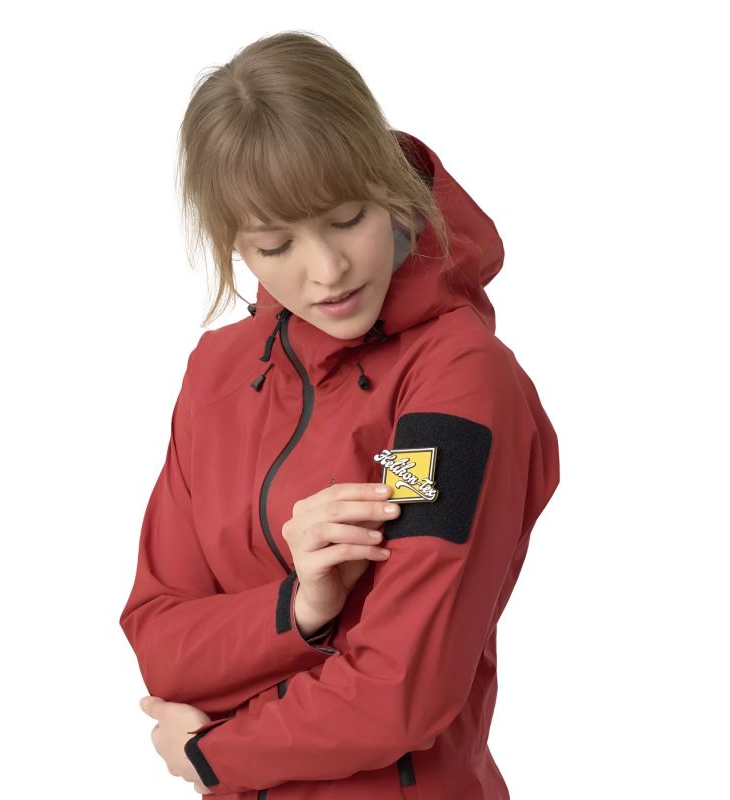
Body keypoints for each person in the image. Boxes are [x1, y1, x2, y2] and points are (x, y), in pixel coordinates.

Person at [119, 30, 560, 800]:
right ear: (236, 246)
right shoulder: (216, 375)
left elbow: (401, 690)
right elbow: (160, 639)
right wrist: (300, 607)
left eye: (348, 217)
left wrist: (211, 754)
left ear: (390, 186)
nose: (327, 271)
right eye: (276, 244)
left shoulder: (454, 384)